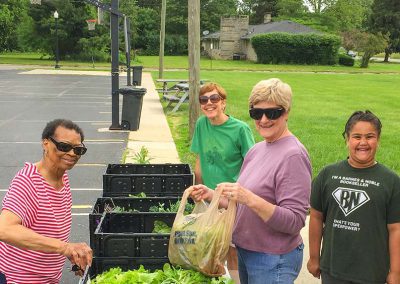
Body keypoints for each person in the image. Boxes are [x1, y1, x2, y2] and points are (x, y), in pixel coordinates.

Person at [191, 78, 312, 284]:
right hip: (247, 252)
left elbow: (294, 221)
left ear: (286, 112)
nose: (263, 119)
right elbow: (240, 205)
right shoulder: (258, 149)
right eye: (256, 113)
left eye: (272, 113)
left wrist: (249, 197)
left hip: (273, 260)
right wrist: (211, 194)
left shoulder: (293, 155)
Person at [307, 110, 400, 284]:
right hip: (333, 269)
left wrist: (395, 271)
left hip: (372, 272)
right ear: (347, 139)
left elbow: (396, 229)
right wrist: (314, 257)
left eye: (370, 136)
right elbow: (316, 217)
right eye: (357, 136)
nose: (363, 142)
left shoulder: (391, 181)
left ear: (378, 140)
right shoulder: (328, 175)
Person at [0, 119, 93, 284]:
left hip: (46, 279)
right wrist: (65, 247)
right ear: (46, 143)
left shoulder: (62, 177)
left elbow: (52, 230)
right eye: (64, 146)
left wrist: (71, 254)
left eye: (78, 149)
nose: (72, 153)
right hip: (18, 279)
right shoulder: (28, 181)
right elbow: (4, 229)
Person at [190, 82, 255, 282]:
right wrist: (197, 191)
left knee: (232, 249)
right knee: (212, 246)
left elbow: (253, 165)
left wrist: (239, 197)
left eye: (214, 99)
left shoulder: (240, 129)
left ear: (223, 103)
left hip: (231, 200)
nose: (209, 103)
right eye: (204, 100)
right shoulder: (202, 124)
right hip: (209, 197)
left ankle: (236, 281)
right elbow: (199, 159)